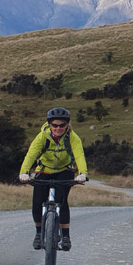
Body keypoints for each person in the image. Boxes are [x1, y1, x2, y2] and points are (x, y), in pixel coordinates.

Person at [18, 107, 88, 251]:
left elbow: (79, 156)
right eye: (54, 125)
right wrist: (24, 172)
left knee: (62, 201)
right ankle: (38, 234)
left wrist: (82, 173)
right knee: (37, 202)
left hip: (65, 171)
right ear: (49, 125)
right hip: (44, 170)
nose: (58, 128)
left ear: (67, 125)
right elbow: (31, 154)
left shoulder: (73, 138)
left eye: (62, 125)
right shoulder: (42, 137)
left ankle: (66, 236)